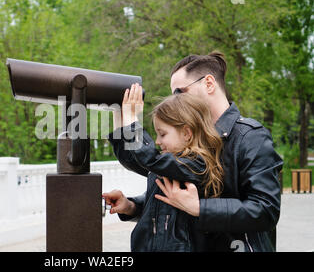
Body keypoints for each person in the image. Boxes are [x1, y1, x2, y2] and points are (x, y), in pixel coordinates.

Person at [104, 51, 283, 252]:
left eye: (180, 92)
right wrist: (132, 207)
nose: (176, 100)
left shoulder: (250, 137)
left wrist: (199, 209)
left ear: (208, 83)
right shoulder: (185, 137)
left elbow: (265, 210)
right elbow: (166, 184)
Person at [103, 87, 224, 252]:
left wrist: (132, 118)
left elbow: (149, 158)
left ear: (186, 133)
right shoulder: (167, 165)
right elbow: (130, 158)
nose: (157, 141)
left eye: (162, 134)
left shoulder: (196, 164)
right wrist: (119, 114)